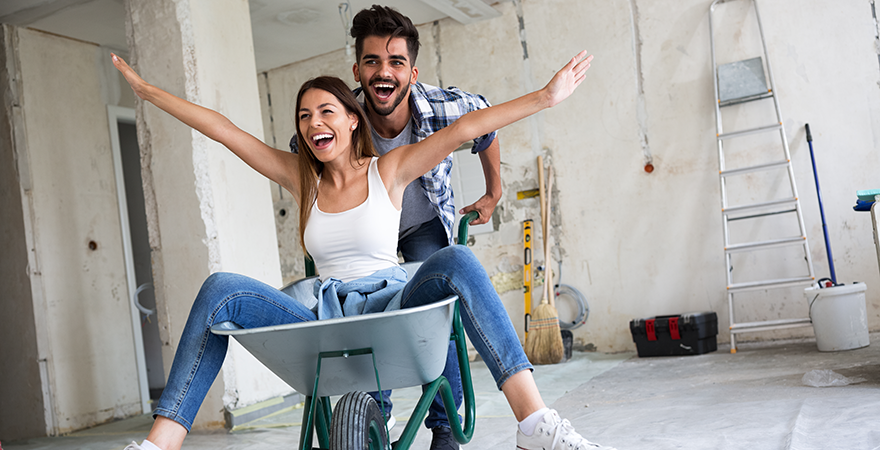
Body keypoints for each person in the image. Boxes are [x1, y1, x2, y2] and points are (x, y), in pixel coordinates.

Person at [112, 46, 612, 450]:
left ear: (353, 120)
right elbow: (222, 131)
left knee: (456, 258)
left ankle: (534, 424)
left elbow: (464, 128)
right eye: (304, 116)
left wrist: (545, 97)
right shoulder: (299, 179)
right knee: (221, 288)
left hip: (395, 308)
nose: (312, 123)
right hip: (327, 318)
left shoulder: (388, 171)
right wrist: (147, 92)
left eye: (325, 111)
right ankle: (160, 445)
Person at [288, 9, 504, 444]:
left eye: (395, 63)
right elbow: (304, 153)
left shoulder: (442, 107)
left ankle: (444, 426)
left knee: (432, 314)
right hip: (362, 234)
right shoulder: (338, 117)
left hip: (423, 222)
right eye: (372, 62)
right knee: (367, 312)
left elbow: (485, 123)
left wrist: (493, 190)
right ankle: (373, 411)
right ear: (357, 70)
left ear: (412, 71)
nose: (383, 73)